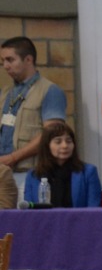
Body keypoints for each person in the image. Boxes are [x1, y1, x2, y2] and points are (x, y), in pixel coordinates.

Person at [0, 36, 68, 193]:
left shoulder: (50, 90)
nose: (5, 66)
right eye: (3, 61)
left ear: (28, 59)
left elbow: (51, 133)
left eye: (10, 60)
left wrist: (12, 158)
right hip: (3, 174)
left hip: (30, 174)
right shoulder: (5, 93)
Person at [23, 121, 102, 208]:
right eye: (58, 142)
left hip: (80, 221)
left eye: (69, 141)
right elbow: (29, 212)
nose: (65, 146)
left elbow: (94, 210)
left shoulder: (88, 172)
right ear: (47, 146)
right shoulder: (33, 175)